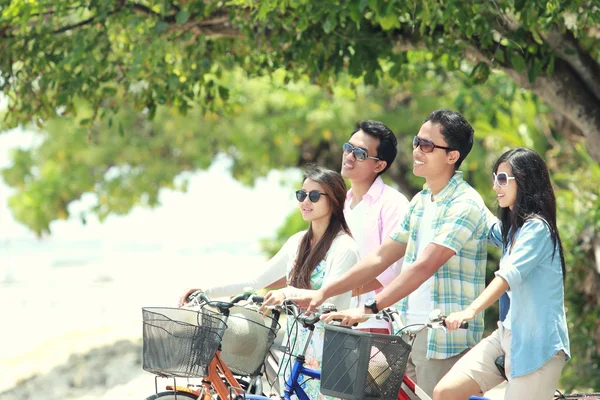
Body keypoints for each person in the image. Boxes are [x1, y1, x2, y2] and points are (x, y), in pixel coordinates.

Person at [293, 109, 492, 396]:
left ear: (452, 156)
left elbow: (424, 267)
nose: (416, 151)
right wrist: (323, 293)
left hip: (441, 337)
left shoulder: (464, 203)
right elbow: (380, 257)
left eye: (427, 146)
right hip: (406, 332)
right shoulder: (421, 201)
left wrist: (370, 308)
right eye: (416, 142)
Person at [179, 165, 359, 400]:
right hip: (297, 344)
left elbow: (329, 300)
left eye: (314, 196)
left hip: (329, 349)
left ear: (334, 200)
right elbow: (256, 280)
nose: (305, 201)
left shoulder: (344, 247)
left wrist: (287, 293)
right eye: (301, 194)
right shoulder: (298, 242)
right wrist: (207, 290)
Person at [433, 147, 570, 400]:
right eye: (495, 178)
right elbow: (482, 220)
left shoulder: (537, 229)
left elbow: (506, 277)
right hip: (506, 335)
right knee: (445, 392)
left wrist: (469, 311)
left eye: (503, 179)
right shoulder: (512, 231)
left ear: (526, 181)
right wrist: (456, 188)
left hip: (536, 347)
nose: (496, 186)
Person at [341, 120, 410, 333]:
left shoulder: (394, 204)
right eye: (348, 148)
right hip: (339, 317)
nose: (349, 156)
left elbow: (391, 271)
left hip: (378, 323)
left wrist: (337, 290)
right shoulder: (341, 203)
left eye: (360, 154)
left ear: (379, 165)